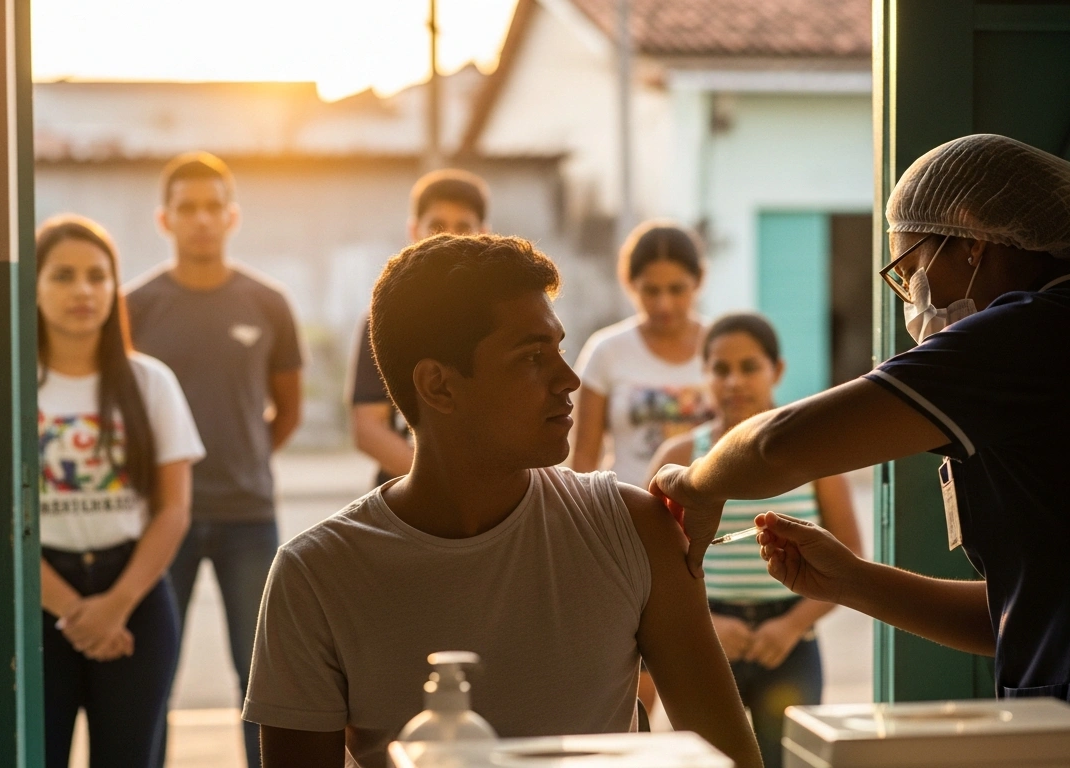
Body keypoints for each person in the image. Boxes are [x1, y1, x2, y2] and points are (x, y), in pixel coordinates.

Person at [650, 134, 1070, 767]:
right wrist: (852, 581)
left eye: (910, 269)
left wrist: (694, 483)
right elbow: (1017, 616)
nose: (913, 298)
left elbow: (779, 446)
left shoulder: (1034, 334)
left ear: (972, 239)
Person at [243, 235, 764, 768]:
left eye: (559, 348)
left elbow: (731, 757)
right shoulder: (314, 577)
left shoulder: (632, 528)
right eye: (533, 356)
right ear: (438, 386)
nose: (569, 379)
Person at [125, 151, 304, 767]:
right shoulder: (134, 307)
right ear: (164, 219)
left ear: (232, 216)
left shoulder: (269, 303)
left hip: (249, 516)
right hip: (158, 520)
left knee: (262, 685)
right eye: (186, 208)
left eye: (211, 207)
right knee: (151, 682)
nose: (200, 219)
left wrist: (243, 457)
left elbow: (288, 411)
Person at [646, 312, 860, 768]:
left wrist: (789, 626)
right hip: (703, 639)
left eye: (749, 367)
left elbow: (850, 558)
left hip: (788, 644)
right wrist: (708, 626)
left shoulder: (815, 451)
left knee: (786, 760)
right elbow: (648, 564)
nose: (733, 381)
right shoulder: (679, 458)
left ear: (776, 371)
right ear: (704, 375)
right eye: (720, 369)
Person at [35, 215, 206, 768]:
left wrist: (116, 607)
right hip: (38, 598)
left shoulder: (149, 382)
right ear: (33, 287)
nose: (82, 290)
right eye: (62, 276)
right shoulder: (9, 384)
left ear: (114, 288)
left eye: (96, 276)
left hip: (134, 601)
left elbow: (174, 510)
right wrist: (74, 611)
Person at [570, 221, 713, 709]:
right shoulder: (607, 351)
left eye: (677, 289)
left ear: (700, 282)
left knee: (710, 691)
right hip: (629, 533)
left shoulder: (723, 349)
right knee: (638, 692)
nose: (664, 304)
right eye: (650, 291)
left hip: (708, 531)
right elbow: (583, 456)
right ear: (629, 285)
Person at [348, 169, 490, 487]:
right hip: (407, 499)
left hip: (491, 501)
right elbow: (368, 429)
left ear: (484, 233)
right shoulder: (383, 319)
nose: (450, 237)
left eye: (463, 226)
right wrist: (445, 482)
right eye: (437, 226)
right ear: (415, 231)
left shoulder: (506, 318)